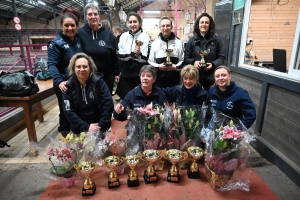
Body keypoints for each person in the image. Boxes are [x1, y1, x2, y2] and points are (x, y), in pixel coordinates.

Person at [47, 8, 82, 136]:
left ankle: (77, 131)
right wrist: (59, 81)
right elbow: (52, 64)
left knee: (76, 108)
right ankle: (65, 132)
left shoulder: (78, 41)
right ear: (61, 25)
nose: (69, 28)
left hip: (77, 82)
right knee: (65, 109)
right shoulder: (56, 43)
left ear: (76, 26)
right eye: (66, 25)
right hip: (63, 83)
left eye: (72, 25)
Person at [62, 53, 114, 134]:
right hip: (79, 128)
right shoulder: (68, 86)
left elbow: (108, 103)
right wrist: (86, 126)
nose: (82, 69)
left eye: (85, 66)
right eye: (78, 67)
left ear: (90, 68)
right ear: (73, 68)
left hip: (100, 125)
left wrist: (100, 125)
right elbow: (68, 111)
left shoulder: (99, 82)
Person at [76, 3, 119, 93]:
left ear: (99, 16)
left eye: (95, 14)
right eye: (90, 14)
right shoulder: (79, 33)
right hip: (87, 78)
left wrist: (116, 73)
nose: (93, 16)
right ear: (86, 17)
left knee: (106, 103)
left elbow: (114, 55)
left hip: (107, 77)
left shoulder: (108, 34)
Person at [184, 13, 226, 91]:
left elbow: (222, 57)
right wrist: (194, 62)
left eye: (206, 22)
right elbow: (186, 58)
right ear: (198, 24)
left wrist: (213, 64)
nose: (204, 24)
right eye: (202, 22)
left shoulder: (217, 40)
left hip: (212, 77)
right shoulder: (191, 41)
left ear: (210, 25)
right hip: (195, 77)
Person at [117, 12, 151, 100]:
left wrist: (137, 55)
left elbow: (145, 59)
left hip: (139, 74)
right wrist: (133, 55)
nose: (132, 24)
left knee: (139, 99)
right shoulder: (123, 36)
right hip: (126, 74)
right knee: (127, 98)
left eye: (135, 22)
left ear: (140, 22)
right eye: (130, 22)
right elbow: (120, 55)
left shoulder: (145, 37)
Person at [148, 16, 184, 87]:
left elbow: (182, 60)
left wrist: (175, 67)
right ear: (160, 28)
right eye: (163, 26)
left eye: (168, 25)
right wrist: (158, 66)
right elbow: (150, 61)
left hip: (174, 78)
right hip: (159, 79)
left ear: (171, 27)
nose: (165, 28)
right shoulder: (154, 43)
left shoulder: (179, 42)